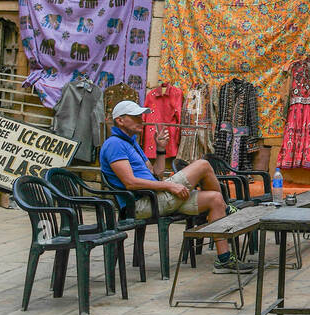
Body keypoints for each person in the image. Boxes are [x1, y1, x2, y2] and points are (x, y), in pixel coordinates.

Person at [99, 99, 246, 274]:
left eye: (141, 116)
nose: (141, 120)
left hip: (155, 197)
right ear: (120, 120)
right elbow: (130, 183)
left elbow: (157, 173)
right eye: (135, 117)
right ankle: (227, 209)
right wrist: (169, 187)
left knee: (215, 199)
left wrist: (161, 150)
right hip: (143, 203)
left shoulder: (131, 143)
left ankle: (224, 261)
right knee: (203, 165)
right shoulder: (114, 144)